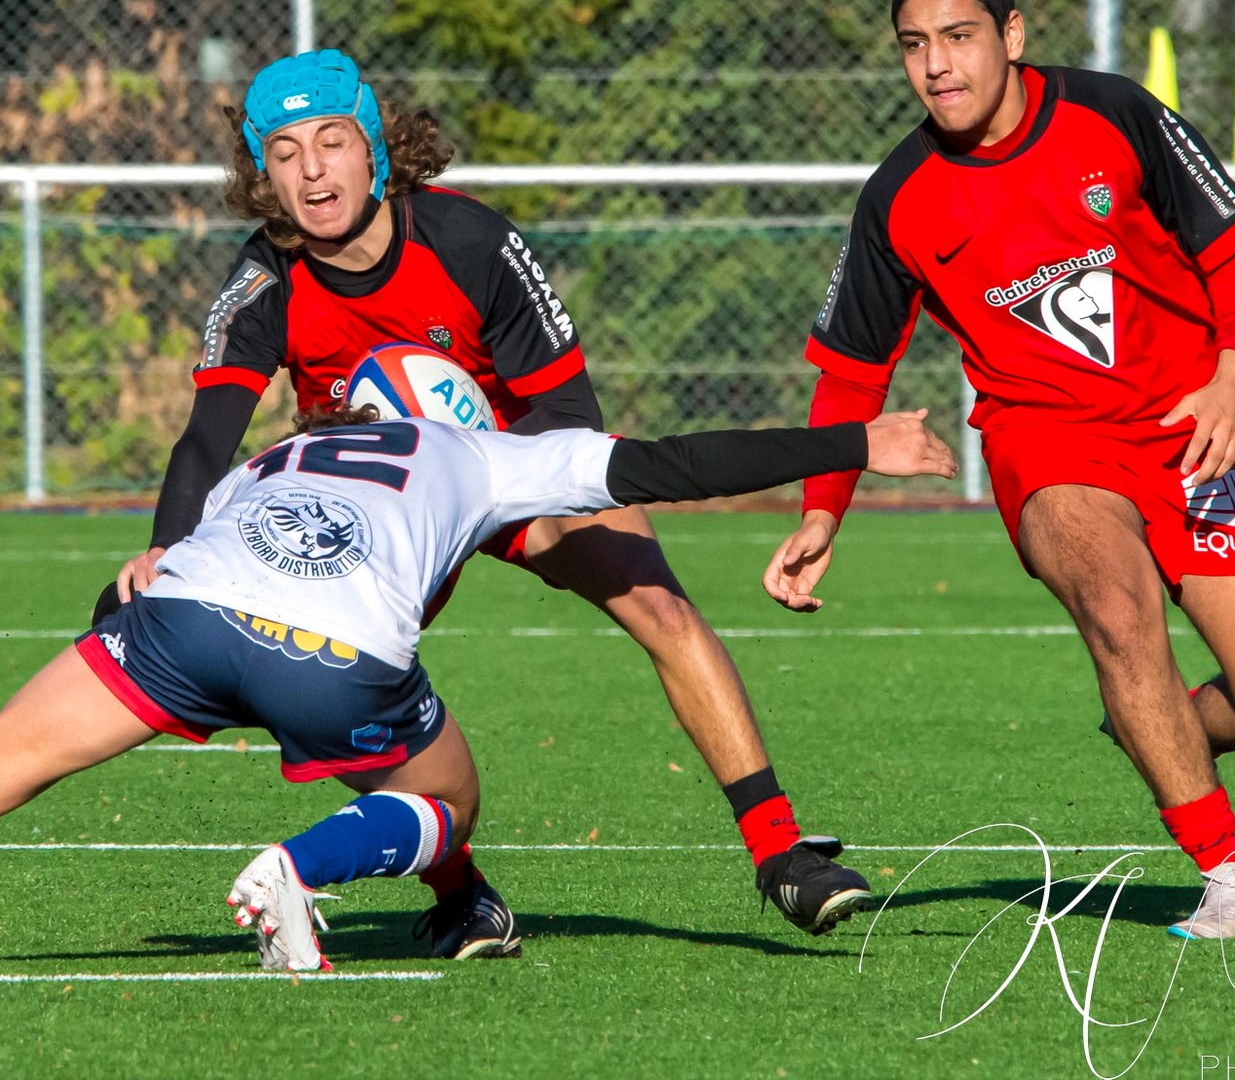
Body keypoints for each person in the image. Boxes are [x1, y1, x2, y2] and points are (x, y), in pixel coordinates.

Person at [0, 400, 958, 978]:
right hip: (330, 651)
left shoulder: (278, 450)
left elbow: (157, 555)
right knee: (445, 797)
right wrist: (860, 442)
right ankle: (300, 871)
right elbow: (667, 463)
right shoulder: (480, 455)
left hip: (186, 617)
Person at [120, 46, 851, 931]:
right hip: (376, 504)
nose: (312, 170)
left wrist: (486, 486)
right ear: (263, 175)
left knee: (660, 605)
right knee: (334, 672)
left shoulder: (473, 242)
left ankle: (778, 850)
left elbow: (568, 417)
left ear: (375, 146)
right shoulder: (267, 273)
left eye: (332, 140)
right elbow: (208, 434)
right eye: (285, 152)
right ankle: (459, 895)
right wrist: (166, 545)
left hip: (513, 464)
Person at [762, 0, 1235, 941]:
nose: (935, 64)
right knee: (1116, 611)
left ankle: (1146, 718)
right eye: (913, 46)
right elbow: (849, 374)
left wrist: (1234, 375)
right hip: (1047, 441)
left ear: (1010, 36)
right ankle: (1227, 870)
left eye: (956, 37)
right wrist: (821, 511)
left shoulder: (1112, 114)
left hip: (1190, 424)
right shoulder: (896, 194)